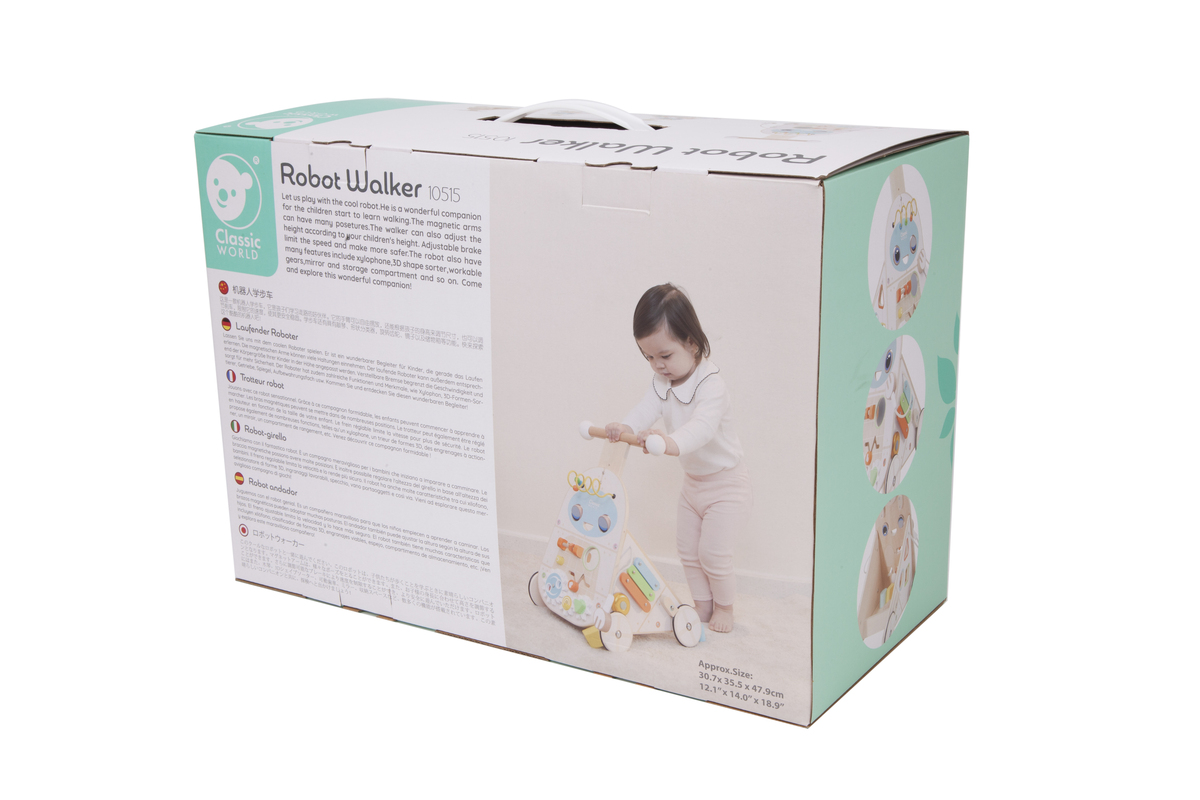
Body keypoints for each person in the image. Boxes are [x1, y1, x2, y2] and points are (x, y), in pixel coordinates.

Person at [605, 284, 752, 633]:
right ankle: (702, 606)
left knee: (713, 553)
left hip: (726, 486)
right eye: (648, 357)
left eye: (665, 355)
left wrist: (667, 442)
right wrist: (625, 426)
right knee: (687, 550)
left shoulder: (711, 385)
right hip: (693, 485)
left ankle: (725, 607)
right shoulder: (661, 382)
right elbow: (645, 409)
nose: (657, 365)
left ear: (692, 343)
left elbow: (701, 429)